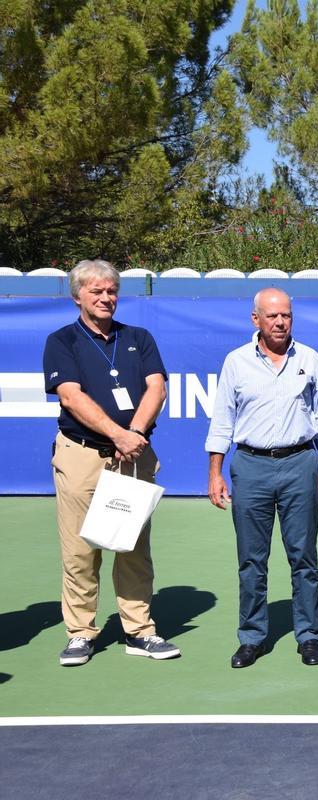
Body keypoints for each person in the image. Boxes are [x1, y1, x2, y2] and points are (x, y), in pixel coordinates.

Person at [42, 259, 179, 666]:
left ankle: (138, 631)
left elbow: (157, 386)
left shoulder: (139, 336)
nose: (106, 298)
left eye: (111, 291)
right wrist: (115, 434)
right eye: (96, 291)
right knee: (81, 550)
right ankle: (81, 633)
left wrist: (133, 433)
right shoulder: (62, 340)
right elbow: (70, 394)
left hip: (134, 456)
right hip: (82, 455)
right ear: (77, 296)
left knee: (133, 546)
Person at [205, 288, 318, 668]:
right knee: (251, 560)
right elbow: (222, 419)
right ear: (255, 319)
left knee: (304, 557)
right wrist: (215, 472)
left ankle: (309, 635)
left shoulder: (309, 358)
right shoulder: (236, 362)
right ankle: (252, 637)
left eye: (286, 316)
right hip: (250, 466)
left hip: (300, 465)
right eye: (272, 316)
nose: (280, 322)